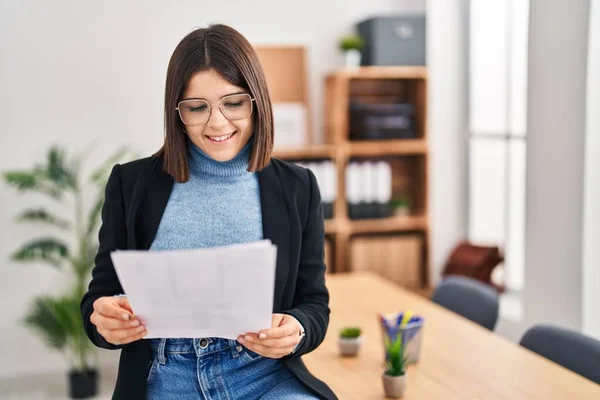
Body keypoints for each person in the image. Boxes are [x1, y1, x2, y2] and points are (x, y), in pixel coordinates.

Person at [80, 24, 336, 400]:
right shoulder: (131, 184)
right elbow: (98, 298)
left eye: (233, 103)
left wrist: (296, 329)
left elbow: (314, 304)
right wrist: (102, 319)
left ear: (257, 102)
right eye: (197, 107)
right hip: (167, 377)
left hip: (263, 375)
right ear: (177, 112)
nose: (217, 122)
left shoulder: (298, 188)